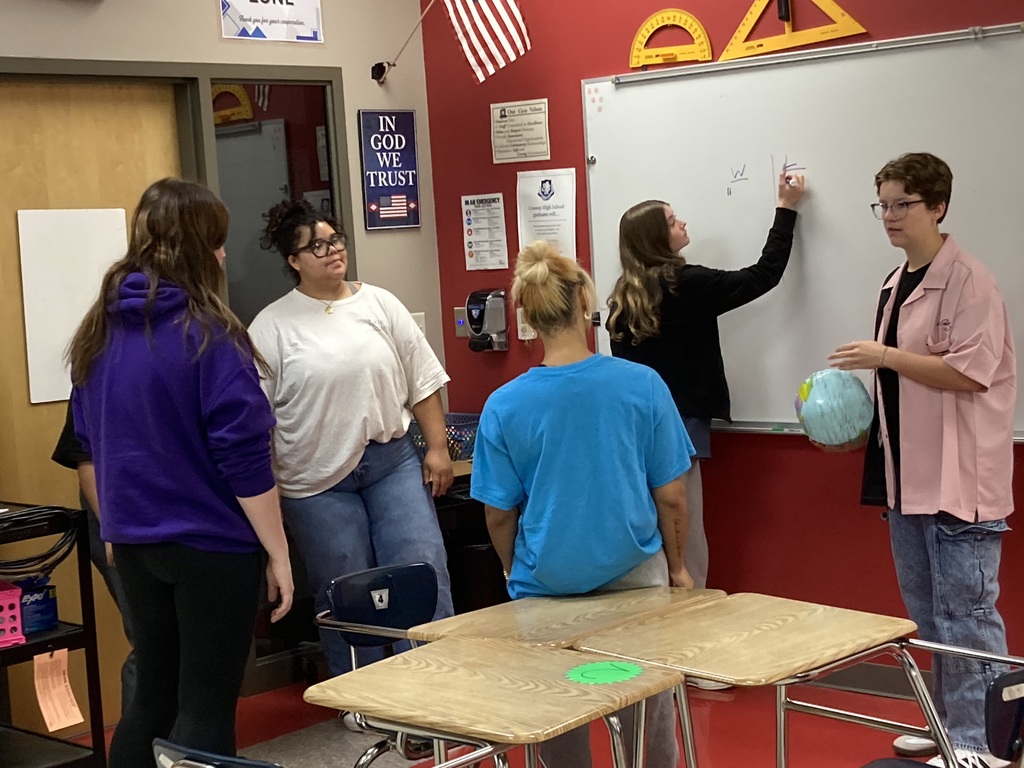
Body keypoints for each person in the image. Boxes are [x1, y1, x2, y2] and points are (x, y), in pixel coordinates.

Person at [68, 178, 294, 768]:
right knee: (205, 705)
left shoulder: (97, 335)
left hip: (136, 545)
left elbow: (92, 443)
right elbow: (244, 458)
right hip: (211, 547)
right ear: (196, 248)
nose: (223, 256)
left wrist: (116, 526)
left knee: (152, 696)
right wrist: (278, 551)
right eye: (216, 244)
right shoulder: (210, 336)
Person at [471, 241, 694, 768]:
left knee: (554, 716)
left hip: (545, 583)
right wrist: (679, 569)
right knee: (648, 715)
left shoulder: (503, 405)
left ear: (527, 317)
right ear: (583, 304)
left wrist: (511, 569)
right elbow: (672, 496)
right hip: (635, 576)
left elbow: (499, 512)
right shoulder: (642, 384)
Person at [830, 153, 1015, 768]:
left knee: (968, 616)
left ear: (937, 206)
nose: (890, 215)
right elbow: (898, 388)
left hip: (960, 482)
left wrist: (884, 356)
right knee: (931, 617)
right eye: (882, 203)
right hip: (906, 479)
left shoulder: (969, 281)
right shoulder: (894, 282)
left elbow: (970, 372)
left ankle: (980, 744)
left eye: (902, 203)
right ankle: (948, 727)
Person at [249, 199, 455, 682]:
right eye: (315, 246)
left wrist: (439, 449)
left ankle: (441, 686)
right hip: (315, 481)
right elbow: (257, 421)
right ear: (293, 261)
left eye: (334, 239)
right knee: (345, 589)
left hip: (391, 462)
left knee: (424, 570)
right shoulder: (271, 327)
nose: (331, 251)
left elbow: (421, 381)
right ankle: (366, 696)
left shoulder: (380, 303)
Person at [606, 168, 806, 592]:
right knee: (687, 538)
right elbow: (763, 275)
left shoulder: (623, 298)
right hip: (682, 432)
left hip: (635, 435)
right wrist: (785, 210)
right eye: (673, 220)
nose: (683, 223)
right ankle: (689, 624)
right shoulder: (687, 284)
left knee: (651, 538)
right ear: (658, 239)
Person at [51, 400, 136, 714]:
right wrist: (111, 527)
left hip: (164, 517)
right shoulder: (97, 363)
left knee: (179, 645)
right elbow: (84, 457)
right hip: (116, 520)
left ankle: (182, 750)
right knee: (150, 644)